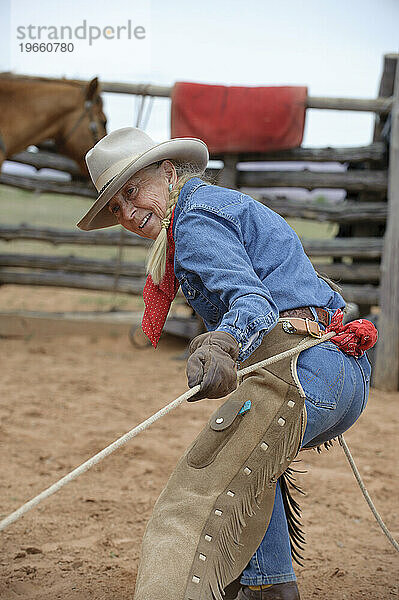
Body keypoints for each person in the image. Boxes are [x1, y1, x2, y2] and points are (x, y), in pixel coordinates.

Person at [78, 127, 375, 600]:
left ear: (168, 173)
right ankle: (270, 585)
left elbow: (253, 305)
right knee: (255, 465)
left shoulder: (194, 222)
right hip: (339, 370)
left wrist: (220, 345)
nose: (129, 213)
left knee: (198, 494)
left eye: (132, 192)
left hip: (304, 373)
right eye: (116, 207)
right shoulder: (213, 208)